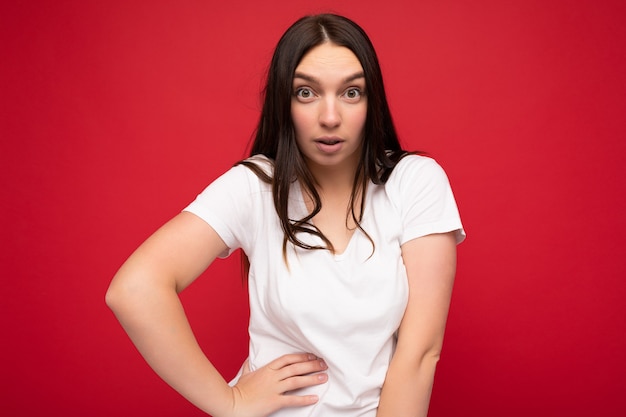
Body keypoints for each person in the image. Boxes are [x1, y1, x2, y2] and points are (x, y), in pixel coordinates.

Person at [106, 13, 465, 417]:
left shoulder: (414, 182)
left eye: (351, 93)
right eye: (306, 93)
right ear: (284, 101)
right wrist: (230, 402)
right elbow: (134, 290)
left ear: (372, 100)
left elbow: (420, 354)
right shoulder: (254, 185)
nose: (330, 117)